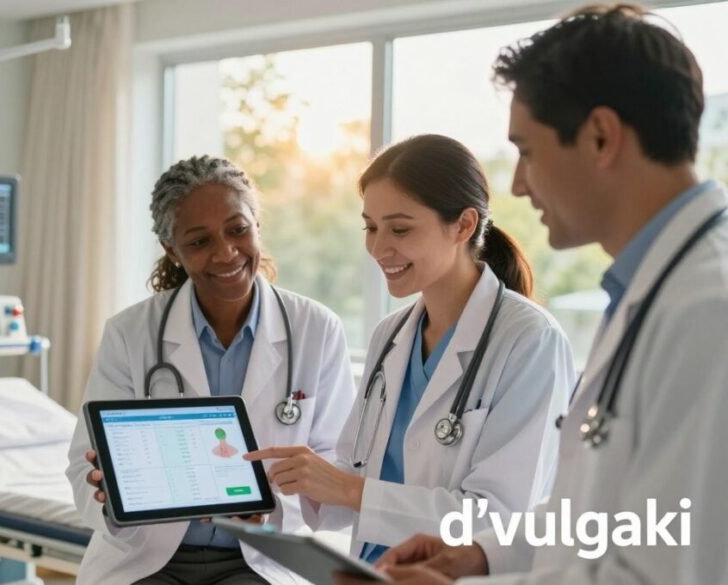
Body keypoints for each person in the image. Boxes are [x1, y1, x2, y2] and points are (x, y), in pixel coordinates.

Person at [336, 4, 728, 585]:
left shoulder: (707, 311)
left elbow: (669, 570)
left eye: (527, 150)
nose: (519, 184)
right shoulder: (649, 293)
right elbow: (612, 519)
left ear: (600, 137)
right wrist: (480, 556)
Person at [245, 134, 574, 562]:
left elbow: (499, 519)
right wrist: (293, 481)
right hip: (371, 569)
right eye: (370, 227)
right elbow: (356, 472)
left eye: (399, 229)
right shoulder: (391, 335)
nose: (378, 248)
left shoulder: (530, 341)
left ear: (464, 225)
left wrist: (349, 489)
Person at [65, 155, 356, 585]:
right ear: (173, 251)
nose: (225, 253)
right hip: (147, 558)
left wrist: (271, 507)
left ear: (257, 224)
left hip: (259, 556)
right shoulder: (130, 333)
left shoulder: (315, 328)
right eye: (200, 241)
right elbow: (83, 465)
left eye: (238, 230)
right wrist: (109, 495)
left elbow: (339, 467)